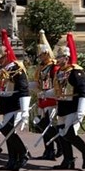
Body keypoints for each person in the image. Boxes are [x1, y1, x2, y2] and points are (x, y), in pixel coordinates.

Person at [0, 29, 31, 171]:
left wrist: (25, 111)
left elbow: (24, 90)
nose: (0, 60)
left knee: (8, 130)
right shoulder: (1, 69)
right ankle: (12, 159)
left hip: (16, 105)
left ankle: (23, 153)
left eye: (2, 57)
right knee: (7, 132)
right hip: (5, 105)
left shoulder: (17, 68)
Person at [48, 33, 85, 170]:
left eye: (59, 57)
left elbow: (83, 92)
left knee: (69, 133)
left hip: (74, 106)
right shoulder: (60, 72)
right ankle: (68, 160)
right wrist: (45, 93)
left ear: (66, 58)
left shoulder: (76, 72)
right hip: (63, 107)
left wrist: (81, 110)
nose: (57, 60)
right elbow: (59, 90)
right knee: (62, 133)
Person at [29, 30, 61, 160]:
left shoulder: (54, 67)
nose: (40, 57)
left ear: (46, 53)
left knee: (51, 126)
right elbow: (38, 83)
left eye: (41, 54)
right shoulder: (41, 67)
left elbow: (57, 85)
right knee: (43, 125)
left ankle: (59, 146)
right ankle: (49, 151)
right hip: (43, 100)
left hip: (52, 100)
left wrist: (47, 93)